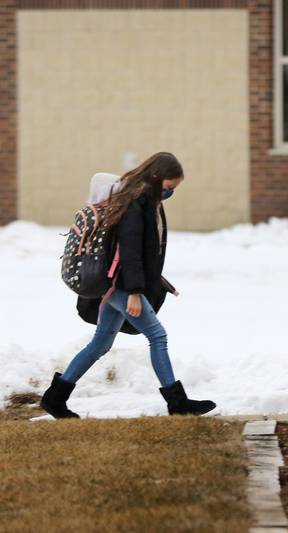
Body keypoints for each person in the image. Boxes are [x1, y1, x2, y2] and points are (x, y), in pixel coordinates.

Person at [40, 152, 216, 419]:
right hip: (119, 284)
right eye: (169, 188)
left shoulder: (142, 198)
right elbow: (129, 251)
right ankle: (177, 403)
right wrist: (134, 292)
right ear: (156, 177)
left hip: (115, 283)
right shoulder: (136, 202)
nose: (170, 193)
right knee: (157, 336)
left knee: (100, 343)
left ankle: (55, 398)